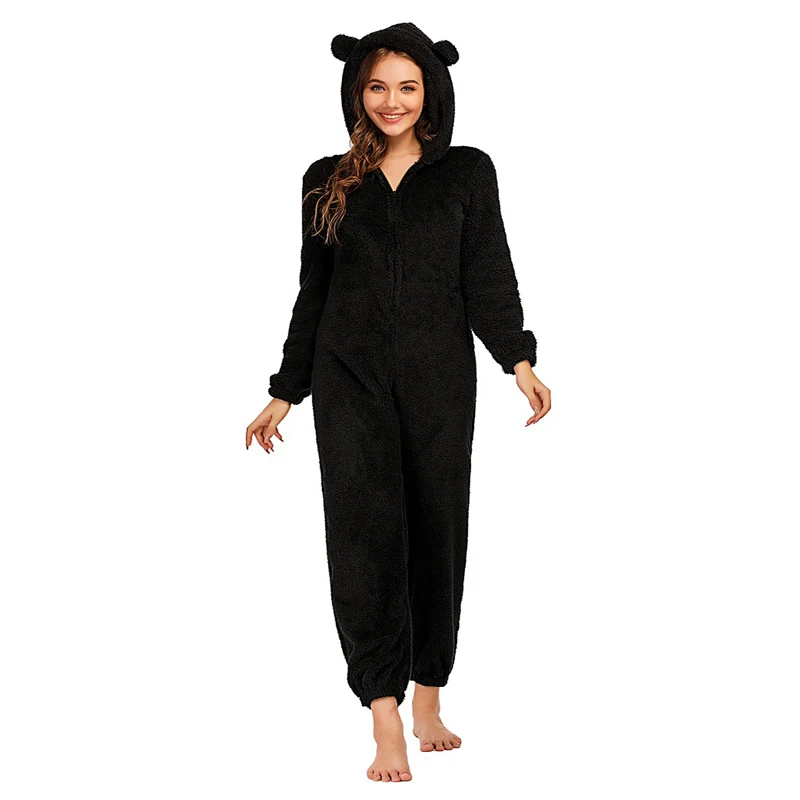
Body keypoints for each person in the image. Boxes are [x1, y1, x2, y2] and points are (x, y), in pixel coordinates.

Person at [246, 22, 552, 782]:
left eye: (408, 87)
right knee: (362, 533)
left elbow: (488, 271)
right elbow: (313, 291)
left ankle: (428, 696)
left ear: (432, 91)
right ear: (356, 90)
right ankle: (383, 712)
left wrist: (517, 358)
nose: (392, 101)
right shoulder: (327, 180)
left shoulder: (466, 172)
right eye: (377, 86)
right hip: (346, 379)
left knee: (437, 526)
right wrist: (286, 390)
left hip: (439, 377)